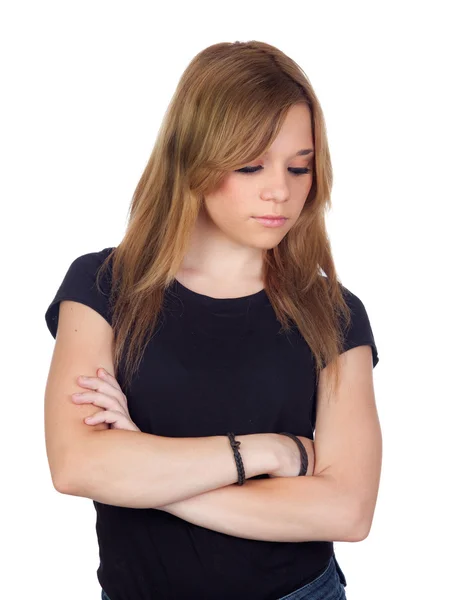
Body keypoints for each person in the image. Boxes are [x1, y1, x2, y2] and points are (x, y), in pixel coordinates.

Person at [44, 40, 381, 600]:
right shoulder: (102, 286)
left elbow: (347, 510)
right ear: (194, 159)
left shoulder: (335, 314)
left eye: (300, 167)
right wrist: (273, 450)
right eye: (251, 165)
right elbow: (77, 465)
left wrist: (143, 471)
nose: (281, 190)